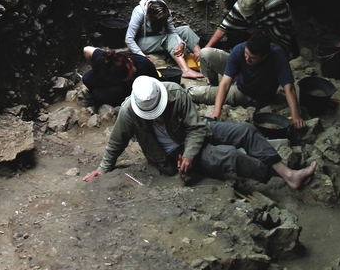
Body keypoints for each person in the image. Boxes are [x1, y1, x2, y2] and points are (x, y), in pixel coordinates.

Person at [82, 76, 316, 190]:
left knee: (245, 130)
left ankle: (288, 173)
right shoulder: (128, 112)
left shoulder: (174, 92)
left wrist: (191, 154)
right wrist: (102, 169)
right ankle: (278, 177)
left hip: (193, 132)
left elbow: (196, 128)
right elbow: (116, 142)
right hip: (172, 153)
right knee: (229, 156)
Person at [188, 33, 306, 129]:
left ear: (264, 56)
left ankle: (185, 89)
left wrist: (296, 117)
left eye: (252, 58)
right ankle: (213, 85)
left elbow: (289, 88)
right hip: (240, 77)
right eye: (246, 54)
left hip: (247, 93)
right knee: (205, 53)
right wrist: (217, 112)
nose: (247, 58)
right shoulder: (240, 49)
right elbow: (225, 84)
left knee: (198, 93)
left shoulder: (278, 56)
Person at [203, 0, 298, 59]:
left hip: (273, 25)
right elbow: (225, 27)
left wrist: (262, 30)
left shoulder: (274, 3)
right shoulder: (240, 5)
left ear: (258, 5)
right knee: (235, 33)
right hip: (257, 23)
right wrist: (207, 47)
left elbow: (284, 26)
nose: (247, 17)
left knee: (278, 50)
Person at [125, 0, 204, 79]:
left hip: (155, 38)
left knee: (185, 30)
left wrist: (181, 44)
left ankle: (202, 57)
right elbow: (129, 39)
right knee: (169, 38)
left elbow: (172, 31)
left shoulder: (164, 11)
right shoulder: (139, 12)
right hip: (140, 42)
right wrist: (143, 57)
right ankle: (185, 70)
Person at [82, 46, 159, 106]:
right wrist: (96, 70)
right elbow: (87, 50)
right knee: (87, 78)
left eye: (131, 75)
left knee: (97, 94)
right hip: (116, 79)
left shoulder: (145, 67)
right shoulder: (108, 60)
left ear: (130, 61)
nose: (132, 77)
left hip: (131, 87)